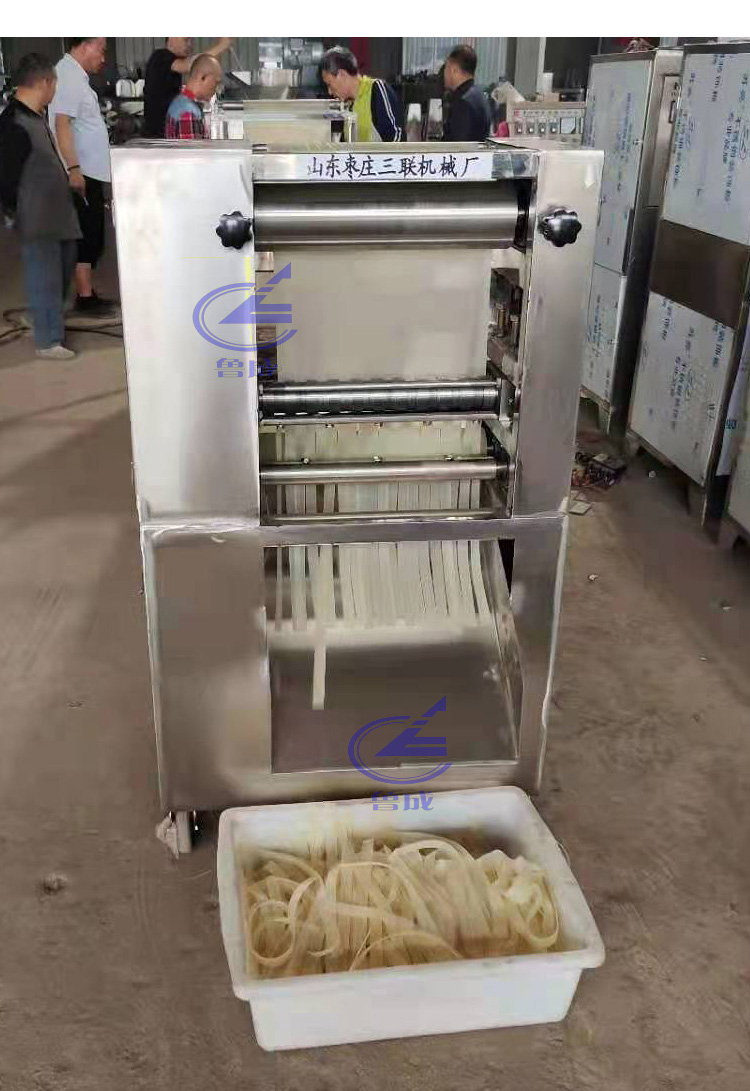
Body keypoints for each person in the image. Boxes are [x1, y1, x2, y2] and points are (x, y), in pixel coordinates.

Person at [0, 53, 81, 359]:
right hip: (35, 215)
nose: (55, 91)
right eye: (54, 85)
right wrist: (15, 212)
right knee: (44, 275)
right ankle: (48, 341)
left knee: (63, 268)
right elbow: (6, 176)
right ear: (45, 82)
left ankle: (42, 319)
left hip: (57, 212)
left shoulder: (36, 116)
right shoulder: (13, 123)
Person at [48, 37, 114, 315]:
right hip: (82, 172)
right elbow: (61, 124)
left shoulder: (75, 76)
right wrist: (74, 169)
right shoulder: (68, 77)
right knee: (86, 234)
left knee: (92, 232)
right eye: (101, 49)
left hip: (88, 171)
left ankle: (87, 293)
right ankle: (84, 297)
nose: (103, 57)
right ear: (84, 45)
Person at [143, 37, 233, 139]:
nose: (190, 45)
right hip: (155, 136)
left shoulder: (172, 68)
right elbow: (193, 64)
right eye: (186, 40)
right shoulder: (160, 57)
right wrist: (222, 46)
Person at [319, 47, 402, 142]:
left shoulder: (376, 89)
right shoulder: (347, 105)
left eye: (329, 84)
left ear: (342, 74)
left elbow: (397, 138)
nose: (329, 92)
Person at [164, 55, 223, 139]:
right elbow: (192, 147)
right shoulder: (188, 112)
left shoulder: (180, 102)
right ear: (203, 77)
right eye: (216, 82)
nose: (216, 89)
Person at [442, 44, 491, 142]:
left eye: (446, 68)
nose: (444, 73)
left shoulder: (463, 102)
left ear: (454, 70)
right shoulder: (480, 95)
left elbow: (458, 145)